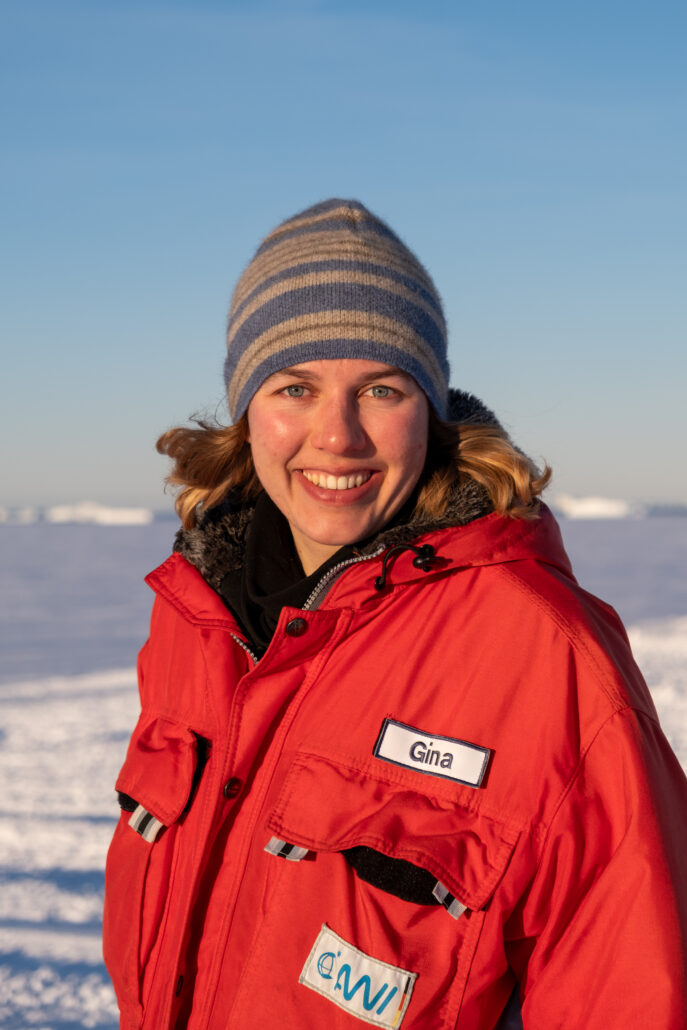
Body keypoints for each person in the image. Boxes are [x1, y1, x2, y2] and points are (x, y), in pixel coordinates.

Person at [103, 199, 687, 1030]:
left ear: (432, 412)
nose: (336, 437)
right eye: (294, 387)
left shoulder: (548, 657)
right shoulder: (194, 619)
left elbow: (633, 992)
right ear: (245, 407)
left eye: (380, 388)